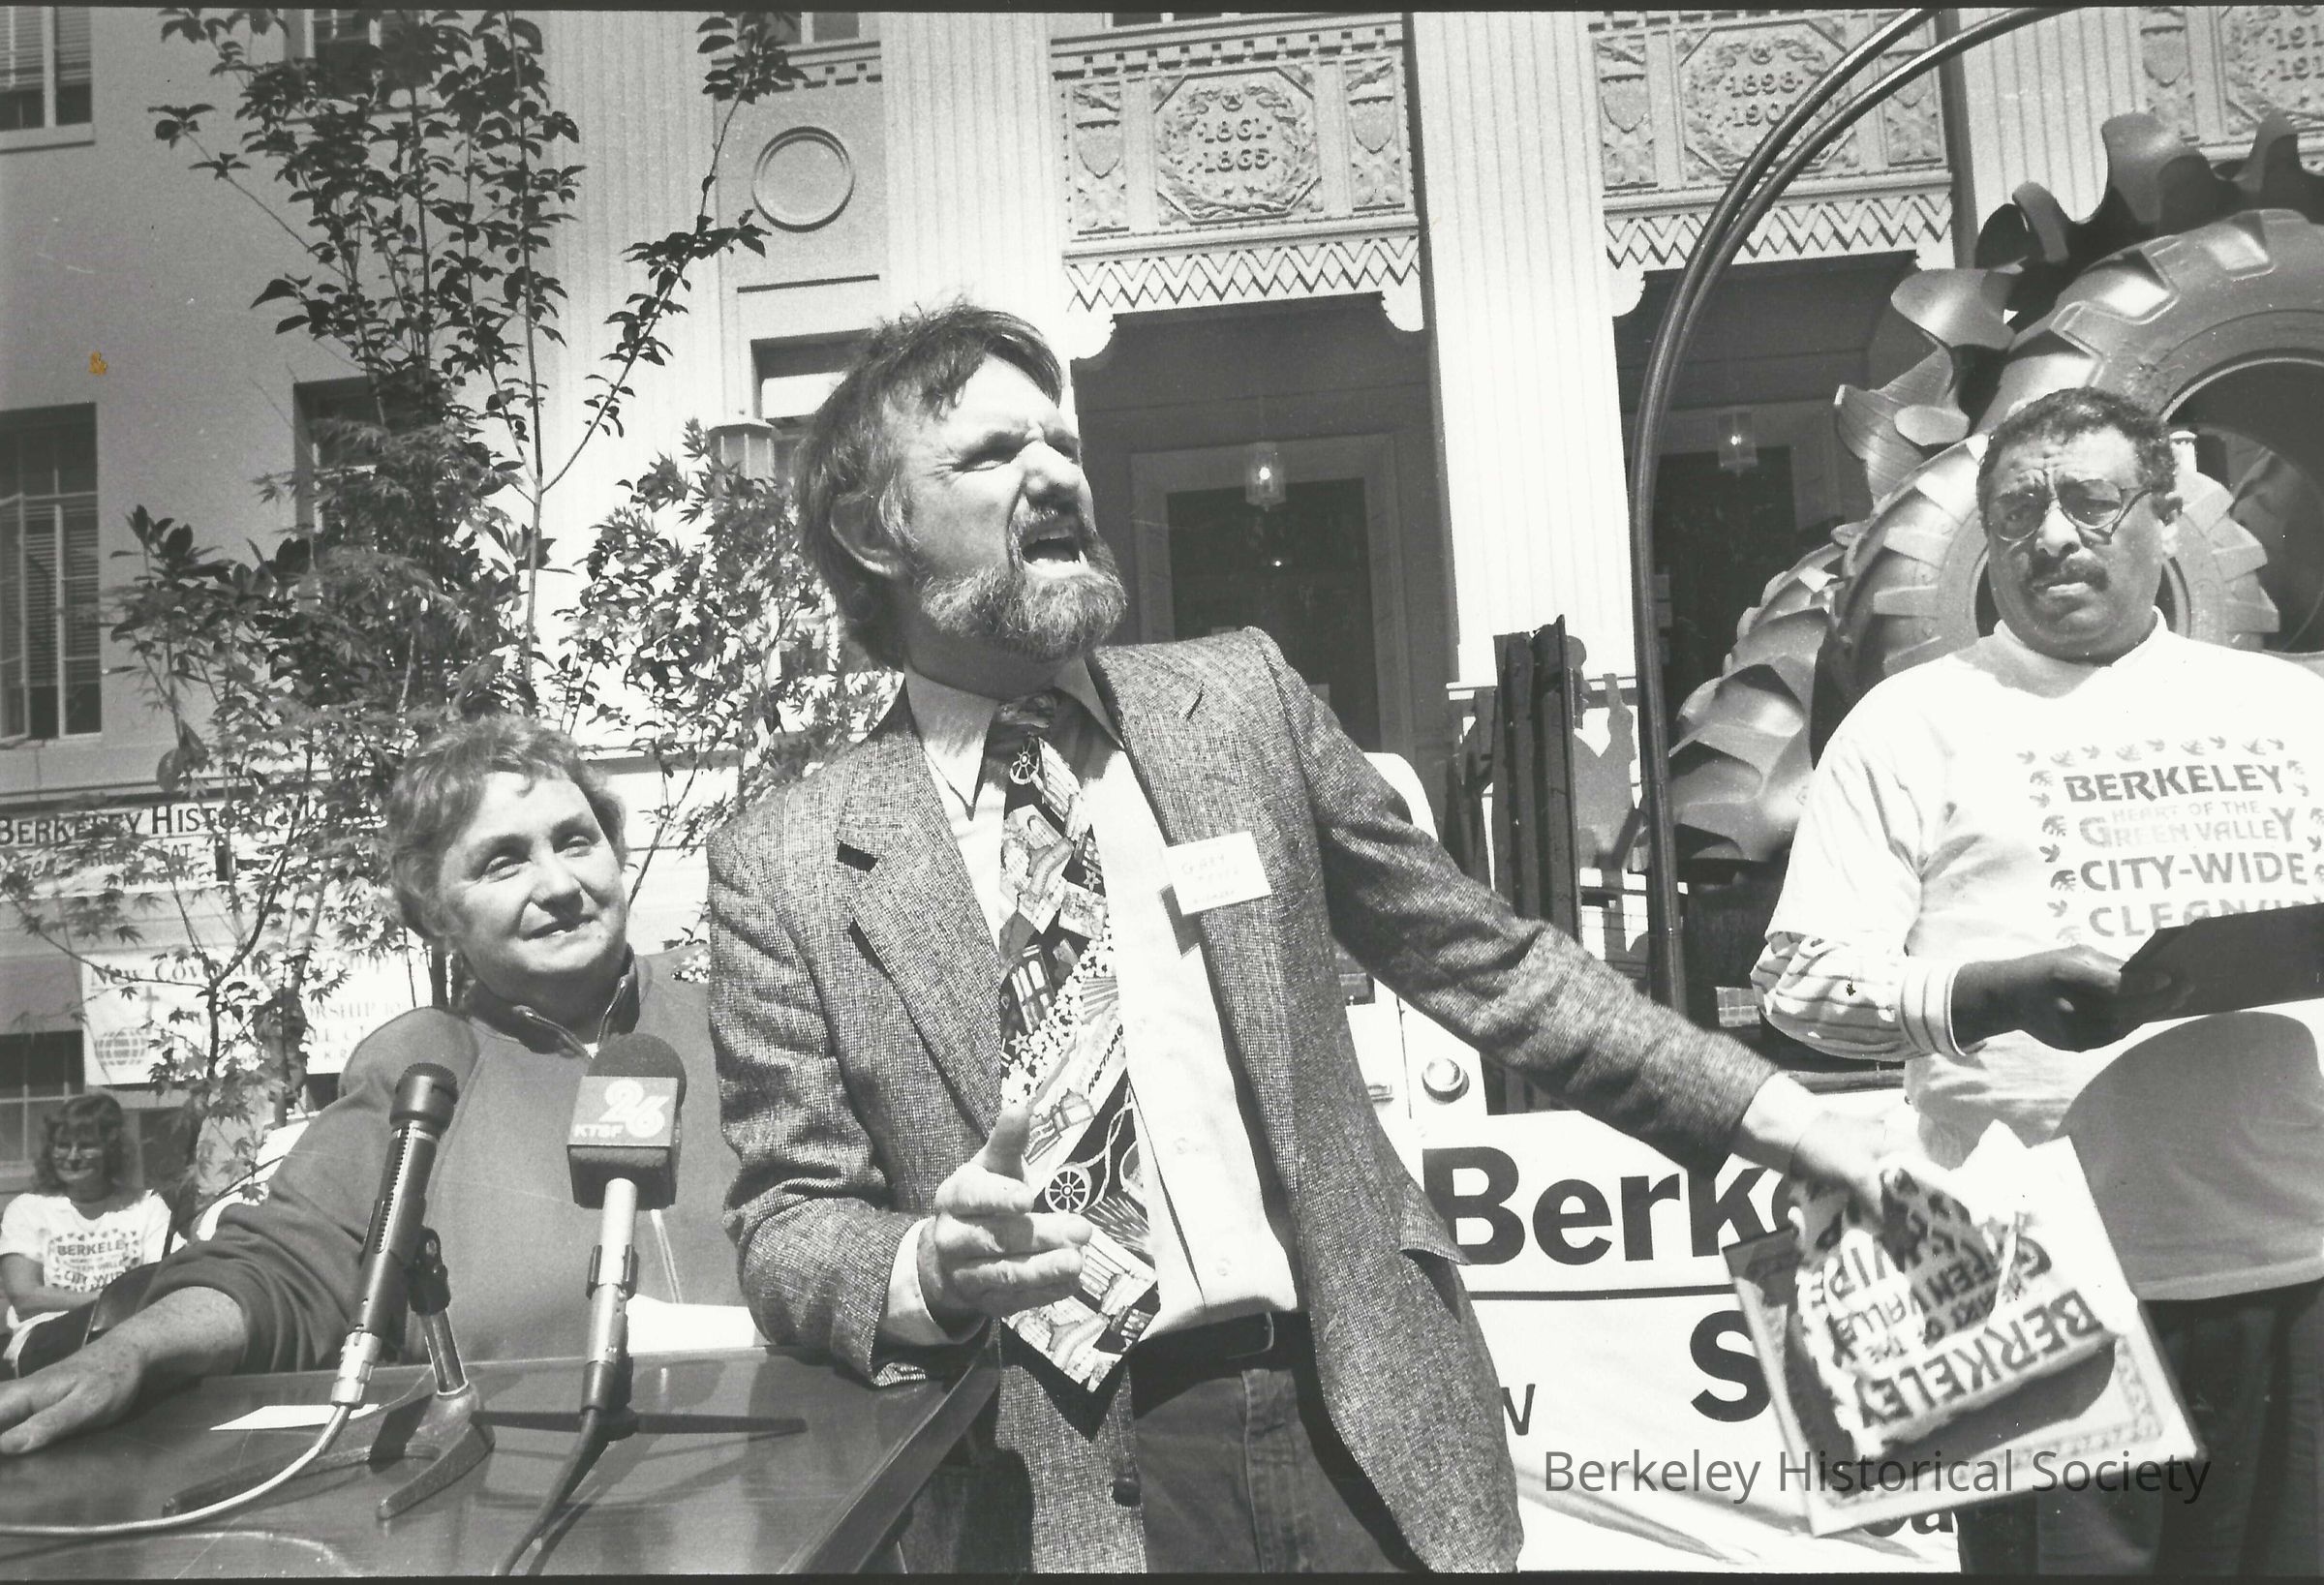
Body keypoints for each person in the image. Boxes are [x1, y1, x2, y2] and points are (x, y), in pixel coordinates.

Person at [710, 301, 1911, 1571]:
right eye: (994, 453)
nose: (1056, 473)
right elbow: (788, 1221)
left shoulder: (1240, 706)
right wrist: (926, 1265)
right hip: (1059, 1486)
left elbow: (1492, 963)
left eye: (1062, 441)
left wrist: (1786, 1118)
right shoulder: (785, 864)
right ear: (876, 529)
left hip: (1357, 1427)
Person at [1756, 384, 2324, 1573]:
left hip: (2302, 1269)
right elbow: (1800, 984)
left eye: (2093, 501)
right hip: (2039, 1294)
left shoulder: (2293, 711)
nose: (2054, 534)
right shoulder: (1910, 724)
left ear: (2165, 515)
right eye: (2018, 510)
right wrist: (1991, 992)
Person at [0, 716, 746, 1454]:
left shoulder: (750, 1015)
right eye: (504, 861)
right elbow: (283, 1264)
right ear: (437, 913)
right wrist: (131, 1349)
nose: (559, 884)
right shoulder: (421, 1067)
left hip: (789, 1473)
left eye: (577, 841)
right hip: (533, 1496)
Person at [1, 1095, 173, 1356]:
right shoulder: (28, 1209)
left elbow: (159, 1282)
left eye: (86, 1146)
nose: (72, 1157)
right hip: (47, 1338)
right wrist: (111, 1299)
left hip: (129, 1332)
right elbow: (26, 1298)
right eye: (62, 1145)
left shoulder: (147, 1206)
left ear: (111, 1151)